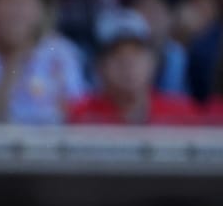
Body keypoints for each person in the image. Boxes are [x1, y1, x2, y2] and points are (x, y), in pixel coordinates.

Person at [65, 10, 199, 124]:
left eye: (136, 53)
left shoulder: (182, 114)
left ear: (152, 62)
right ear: (100, 67)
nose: (127, 63)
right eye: (116, 55)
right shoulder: (83, 117)